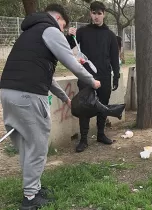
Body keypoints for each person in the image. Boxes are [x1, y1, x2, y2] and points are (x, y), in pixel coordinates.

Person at [0, 4, 101, 209]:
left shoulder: (30, 34)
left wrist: (65, 98)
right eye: (64, 25)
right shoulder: (50, 29)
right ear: (57, 17)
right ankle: (30, 198)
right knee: (37, 146)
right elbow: (72, 62)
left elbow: (47, 77)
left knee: (27, 147)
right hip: (29, 95)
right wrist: (92, 81)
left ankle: (33, 187)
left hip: (8, 92)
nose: (63, 30)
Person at [67, 1, 120, 153]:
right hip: (86, 75)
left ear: (104, 14)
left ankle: (101, 134)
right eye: (94, 13)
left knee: (103, 105)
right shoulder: (82, 32)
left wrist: (115, 76)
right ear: (90, 13)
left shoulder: (110, 35)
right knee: (85, 106)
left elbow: (114, 57)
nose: (96, 16)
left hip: (104, 75)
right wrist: (70, 36)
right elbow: (70, 47)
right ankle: (83, 139)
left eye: (99, 13)